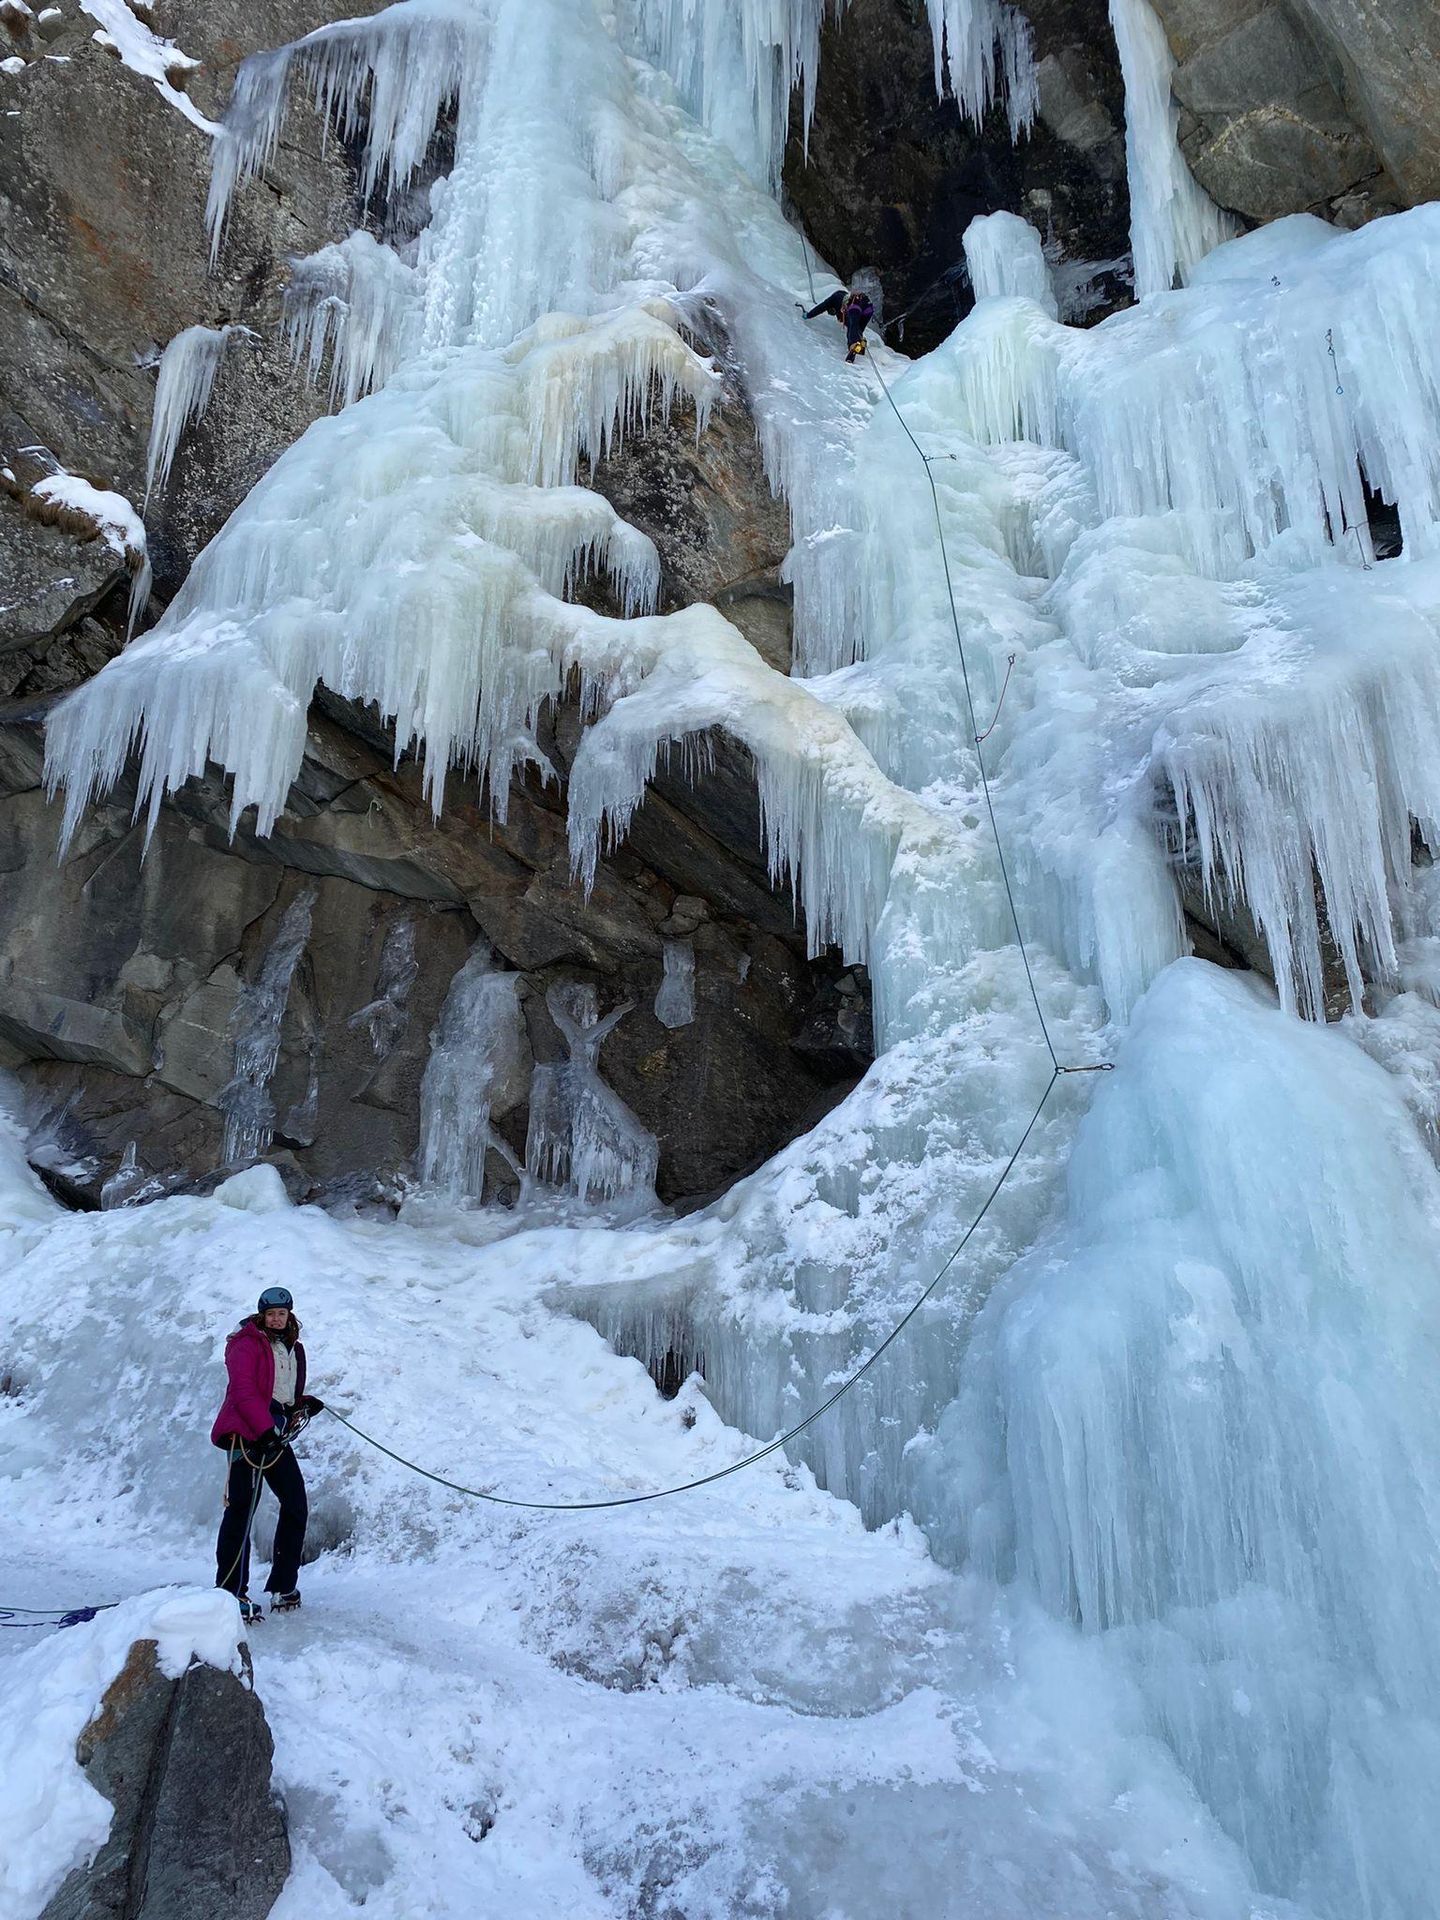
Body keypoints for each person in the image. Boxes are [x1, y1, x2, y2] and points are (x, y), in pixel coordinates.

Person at [211, 1285, 322, 1623]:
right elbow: (244, 1392)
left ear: (289, 1315)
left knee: (295, 1504)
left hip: (273, 1435)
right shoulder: (244, 1345)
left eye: (282, 1314)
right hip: (247, 1436)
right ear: (262, 1314)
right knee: (241, 1512)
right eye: (271, 1314)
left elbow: (278, 1391)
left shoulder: (291, 1347)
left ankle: (283, 1585)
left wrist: (300, 1404)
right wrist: (264, 1431)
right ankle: (230, 1594)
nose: (277, 1319)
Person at [802, 286, 876, 364]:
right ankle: (859, 343)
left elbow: (821, 307)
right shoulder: (842, 296)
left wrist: (808, 315)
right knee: (857, 329)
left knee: (852, 327)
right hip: (868, 307)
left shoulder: (834, 298)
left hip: (855, 305)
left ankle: (853, 347)